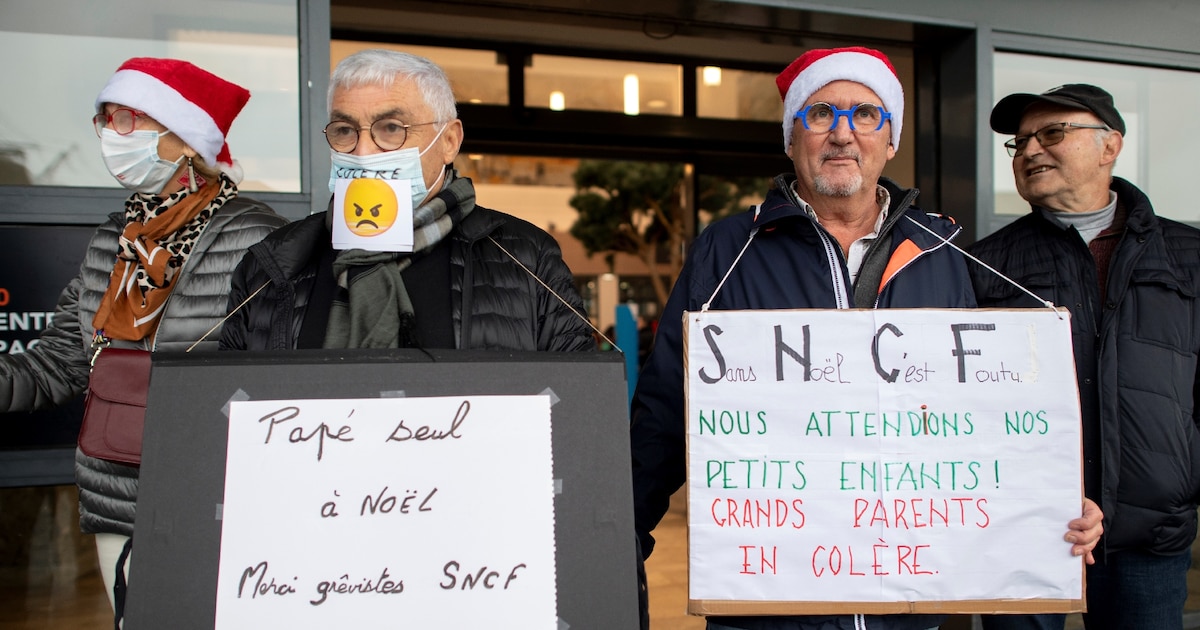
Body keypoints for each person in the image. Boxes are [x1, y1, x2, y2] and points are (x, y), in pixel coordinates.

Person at [629, 47, 1101, 630]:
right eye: (821, 113)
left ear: (891, 139)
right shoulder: (727, 251)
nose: (842, 134)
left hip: (907, 604)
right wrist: (620, 532)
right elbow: (664, 413)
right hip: (769, 599)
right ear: (791, 137)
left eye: (866, 115)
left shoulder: (945, 253)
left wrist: (1050, 498)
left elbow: (983, 419)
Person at [0, 57, 288, 613]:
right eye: (104, 121)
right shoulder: (115, 238)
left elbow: (281, 376)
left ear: (183, 139)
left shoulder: (257, 236)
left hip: (214, 503)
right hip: (114, 497)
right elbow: (58, 364)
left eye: (127, 120)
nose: (111, 135)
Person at [971, 84, 1200, 630]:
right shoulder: (984, 264)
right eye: (1020, 142)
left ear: (1110, 145)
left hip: (1150, 536)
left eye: (1052, 133)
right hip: (1021, 532)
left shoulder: (1190, 257)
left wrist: (1180, 481)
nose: (1029, 152)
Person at [218, 48, 593, 353]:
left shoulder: (526, 256)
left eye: (391, 129)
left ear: (449, 142)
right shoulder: (272, 262)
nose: (364, 151)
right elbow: (227, 409)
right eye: (346, 130)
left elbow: (577, 403)